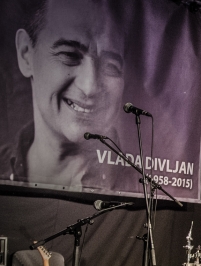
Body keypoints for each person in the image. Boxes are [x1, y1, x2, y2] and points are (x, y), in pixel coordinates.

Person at [2, 0, 125, 188]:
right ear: (26, 54)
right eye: (69, 55)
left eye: (110, 66)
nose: (90, 87)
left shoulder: (145, 190)